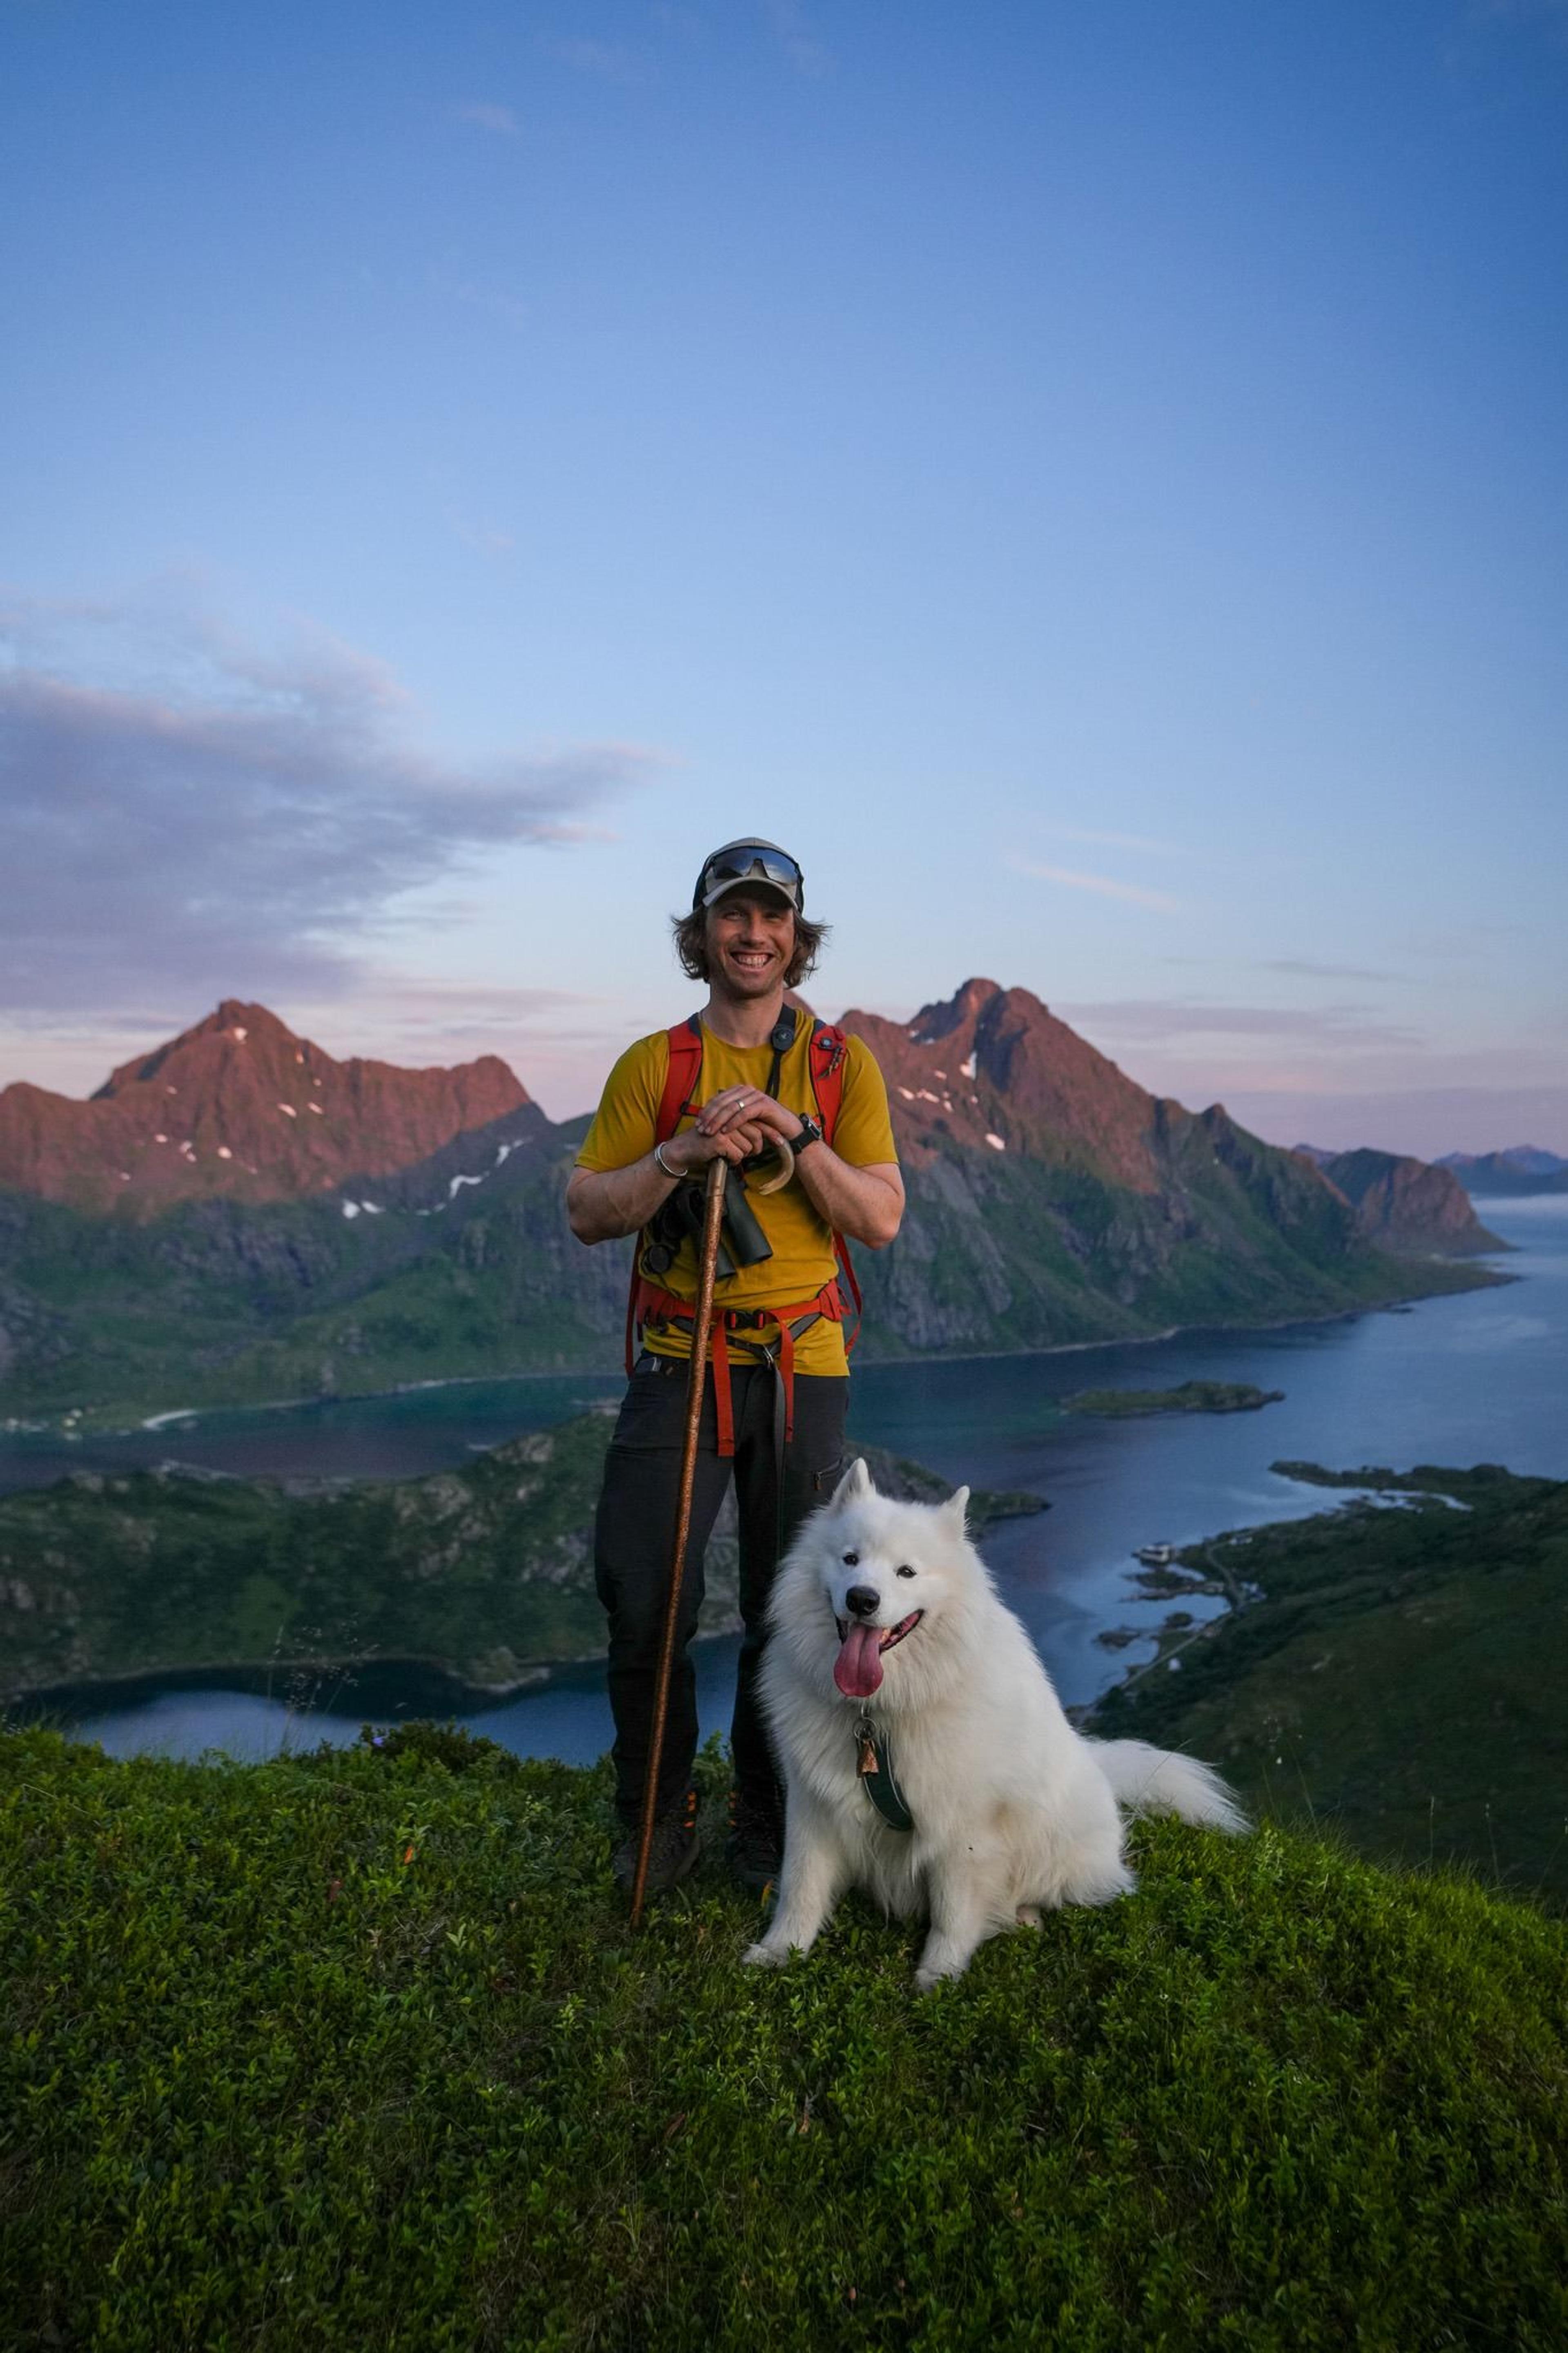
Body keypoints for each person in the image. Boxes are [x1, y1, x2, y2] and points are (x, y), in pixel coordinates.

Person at [566, 839, 904, 1896]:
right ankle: (656, 1817)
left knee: (792, 1606)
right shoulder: (656, 1068)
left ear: (797, 940)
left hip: (804, 1362)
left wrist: (792, 1135)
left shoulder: (842, 1069)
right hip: (680, 1357)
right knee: (643, 1591)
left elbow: (881, 1215)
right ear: (701, 933)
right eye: (733, 916)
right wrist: (679, 1155)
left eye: (773, 919)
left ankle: (772, 1816)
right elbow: (585, 1208)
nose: (753, 934)